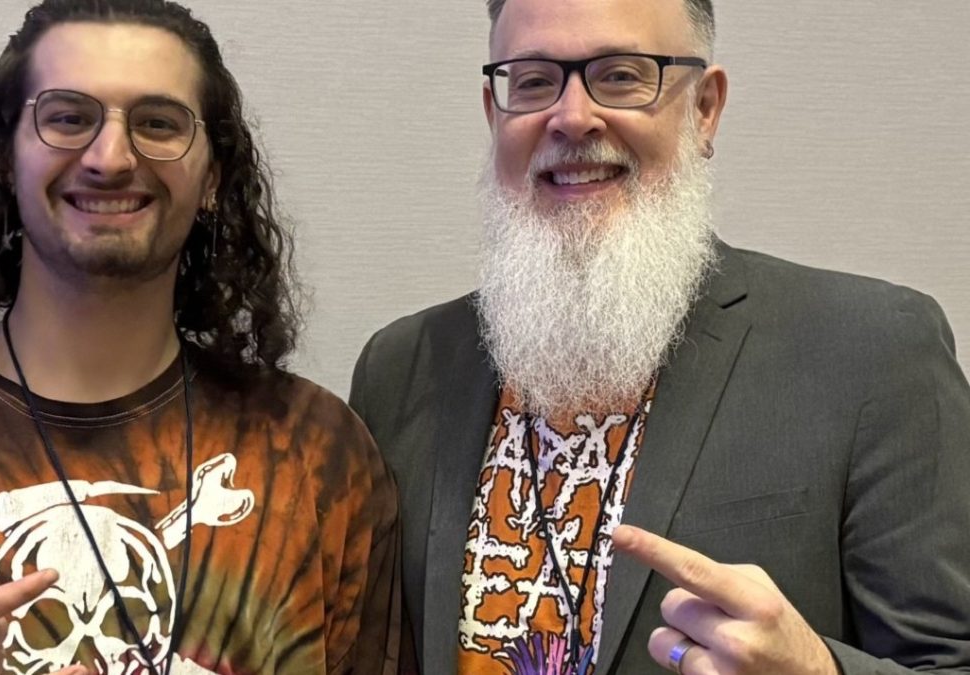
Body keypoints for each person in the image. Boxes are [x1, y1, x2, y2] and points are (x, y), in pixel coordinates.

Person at [0, 1, 399, 673]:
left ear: (213, 177)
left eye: (158, 123)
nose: (111, 157)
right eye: (69, 117)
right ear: (7, 160)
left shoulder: (314, 453)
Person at [348, 0, 970, 673]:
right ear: (494, 113)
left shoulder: (871, 351)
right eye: (532, 81)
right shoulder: (402, 370)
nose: (572, 116)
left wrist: (821, 670)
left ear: (704, 108)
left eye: (620, 75)